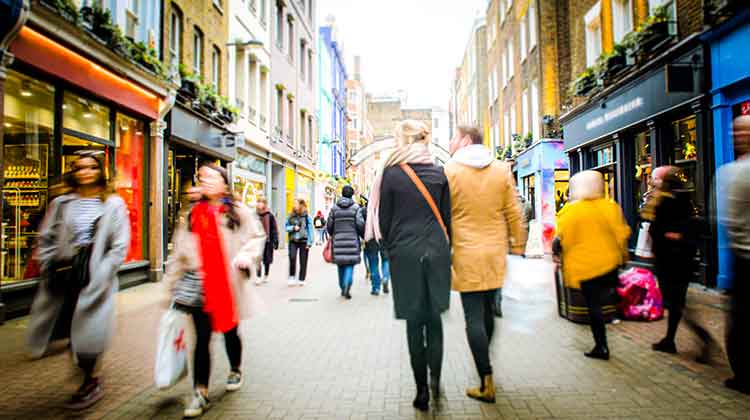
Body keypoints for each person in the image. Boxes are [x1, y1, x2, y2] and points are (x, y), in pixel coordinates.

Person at [27, 151, 130, 410]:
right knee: (73, 331)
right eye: (80, 168)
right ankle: (86, 371)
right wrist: (49, 262)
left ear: (100, 172)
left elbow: (119, 245)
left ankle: (90, 379)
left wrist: (104, 272)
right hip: (66, 274)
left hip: (95, 275)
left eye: (91, 168)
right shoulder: (62, 203)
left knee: (91, 331)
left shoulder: (113, 203)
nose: (85, 172)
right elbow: (47, 236)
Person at [165, 163, 265, 418]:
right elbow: (178, 251)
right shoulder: (191, 213)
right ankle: (201, 392)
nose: (206, 181)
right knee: (201, 340)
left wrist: (245, 256)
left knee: (231, 332)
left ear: (224, 183)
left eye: (212, 177)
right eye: (202, 177)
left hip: (227, 285)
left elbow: (256, 237)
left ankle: (235, 368)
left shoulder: (237, 211)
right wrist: (170, 285)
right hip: (200, 285)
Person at [365, 120, 451, 411]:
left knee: (415, 325)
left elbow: (385, 221)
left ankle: (421, 391)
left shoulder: (390, 174)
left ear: (403, 141)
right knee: (435, 321)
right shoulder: (440, 174)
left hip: (405, 255)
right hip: (437, 253)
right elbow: (447, 220)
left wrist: (392, 250)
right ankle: (436, 380)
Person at [446, 126, 526, 403]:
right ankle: (487, 367)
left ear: (466, 140)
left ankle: (485, 380)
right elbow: (514, 211)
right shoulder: (502, 169)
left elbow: (444, 215)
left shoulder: (451, 170)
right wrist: (518, 246)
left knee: (473, 318)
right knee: (489, 313)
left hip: (466, 252)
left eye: (454, 137)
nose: (450, 142)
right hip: (495, 252)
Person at [556, 170, 630, 361]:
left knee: (593, 306)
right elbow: (622, 233)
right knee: (606, 301)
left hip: (586, 266)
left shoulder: (571, 211)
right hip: (609, 264)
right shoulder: (610, 207)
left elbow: (564, 238)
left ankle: (601, 345)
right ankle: (610, 324)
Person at [646, 166, 716, 359]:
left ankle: (704, 338)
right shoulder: (685, 200)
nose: (652, 182)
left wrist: (669, 235)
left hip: (668, 261)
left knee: (676, 304)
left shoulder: (664, 203)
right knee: (677, 302)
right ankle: (669, 340)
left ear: (664, 182)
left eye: (655, 179)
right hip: (682, 260)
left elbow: (657, 230)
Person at [724, 114, 750, 394]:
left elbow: (728, 220)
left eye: (740, 132)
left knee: (740, 322)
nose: (736, 136)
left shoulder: (734, 173)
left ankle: (742, 376)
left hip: (743, 257)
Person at [327, 185, 364, 299]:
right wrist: (362, 235)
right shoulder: (356, 208)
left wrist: (332, 233)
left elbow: (329, 225)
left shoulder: (334, 208)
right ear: (352, 194)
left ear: (342, 194)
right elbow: (360, 224)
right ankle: (348, 283)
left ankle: (342, 286)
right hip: (352, 240)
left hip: (338, 240)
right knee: (350, 264)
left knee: (340, 265)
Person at [360, 201, 391, 295]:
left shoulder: (365, 211)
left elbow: (361, 224)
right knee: (386, 260)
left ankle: (376, 288)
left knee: (373, 262)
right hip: (384, 238)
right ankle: (385, 278)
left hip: (371, 238)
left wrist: (363, 236)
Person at [285, 199, 314, 286]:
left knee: (303, 260)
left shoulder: (306, 216)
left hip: (304, 240)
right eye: (293, 203)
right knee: (292, 257)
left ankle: (302, 278)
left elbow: (310, 229)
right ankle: (292, 276)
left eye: (296, 203)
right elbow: (286, 227)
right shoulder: (290, 215)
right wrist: (293, 228)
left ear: (301, 205)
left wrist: (310, 242)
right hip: (293, 240)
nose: (294, 205)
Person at [255, 197, 279, 285]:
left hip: (267, 241)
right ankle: (258, 276)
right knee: (257, 258)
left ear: (265, 204)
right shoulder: (254, 214)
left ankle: (266, 274)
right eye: (258, 202)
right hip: (257, 240)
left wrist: (276, 240)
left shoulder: (269, 215)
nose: (259, 204)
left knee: (267, 259)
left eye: (261, 202)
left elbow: (274, 229)